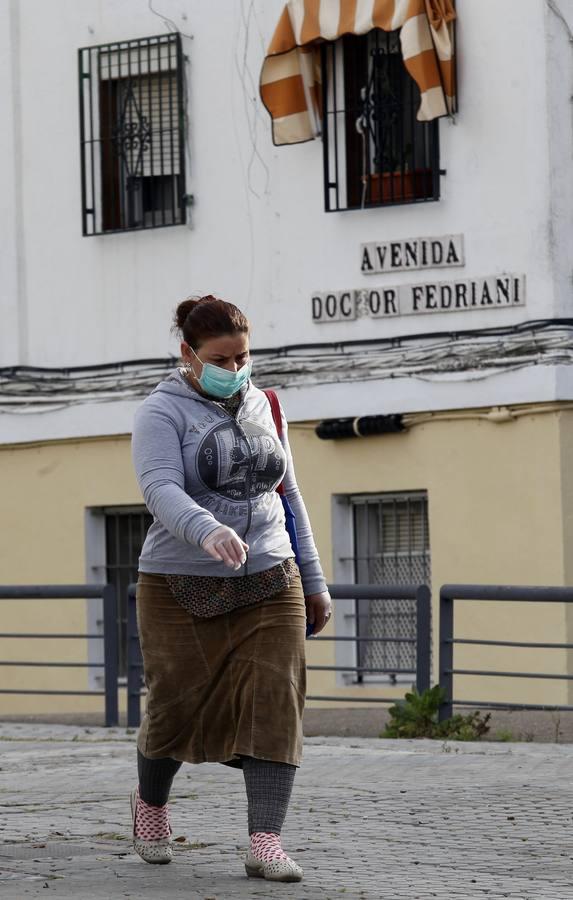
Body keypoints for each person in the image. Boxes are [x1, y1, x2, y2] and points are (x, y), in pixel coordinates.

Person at [130, 294, 331, 882]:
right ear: (188, 355)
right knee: (174, 705)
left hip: (270, 573)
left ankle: (265, 839)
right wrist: (207, 528)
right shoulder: (160, 412)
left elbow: (288, 495)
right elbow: (160, 487)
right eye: (223, 357)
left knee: (278, 698)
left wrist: (313, 579)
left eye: (243, 355)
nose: (236, 368)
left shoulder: (266, 404)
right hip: (179, 581)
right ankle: (151, 806)